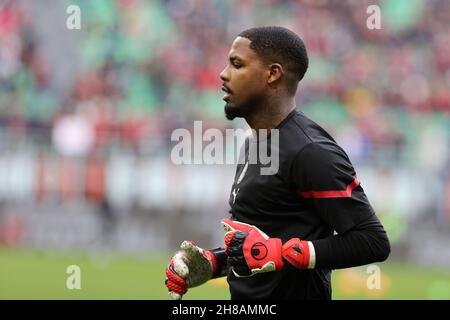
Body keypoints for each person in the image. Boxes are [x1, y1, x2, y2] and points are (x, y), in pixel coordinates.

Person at [165, 26, 390, 300]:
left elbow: (372, 241)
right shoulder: (254, 142)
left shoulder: (310, 151)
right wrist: (214, 262)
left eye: (237, 64)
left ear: (272, 74)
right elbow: (259, 248)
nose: (223, 74)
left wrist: (281, 252)